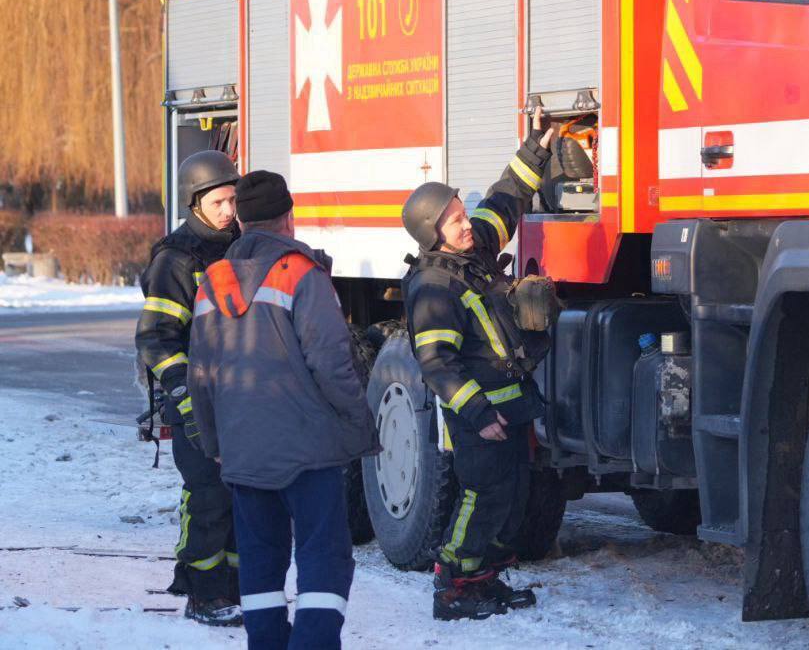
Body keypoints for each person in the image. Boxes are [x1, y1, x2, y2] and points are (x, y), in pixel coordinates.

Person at [186, 171, 379, 650]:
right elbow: (333, 364)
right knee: (324, 556)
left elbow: (201, 377)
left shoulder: (211, 283)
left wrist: (215, 445)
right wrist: (360, 426)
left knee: (259, 560)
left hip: (244, 454)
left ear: (242, 223)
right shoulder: (301, 273)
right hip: (307, 452)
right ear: (288, 218)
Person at [401, 108, 557, 621]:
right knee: (481, 496)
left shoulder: (474, 251)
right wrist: (479, 416)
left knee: (508, 500)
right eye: (455, 219)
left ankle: (483, 581)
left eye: (461, 214)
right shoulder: (434, 287)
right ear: (432, 233)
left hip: (508, 406)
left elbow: (503, 202)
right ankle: (454, 582)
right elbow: (437, 363)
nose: (466, 222)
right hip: (481, 416)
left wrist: (535, 149)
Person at [135, 149, 242, 626]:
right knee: (209, 498)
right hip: (196, 399)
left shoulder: (240, 246)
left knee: (240, 499)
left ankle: (232, 588)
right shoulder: (176, 260)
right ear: (195, 202)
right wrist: (184, 392)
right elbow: (156, 339)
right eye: (219, 202)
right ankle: (205, 595)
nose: (229, 211)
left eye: (234, 200)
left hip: (241, 398)